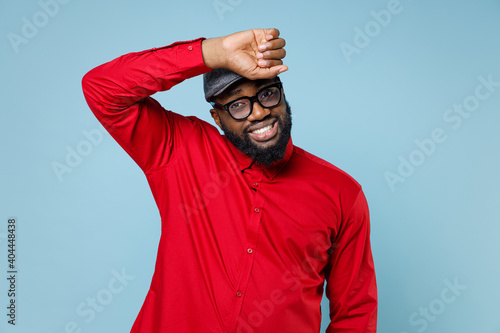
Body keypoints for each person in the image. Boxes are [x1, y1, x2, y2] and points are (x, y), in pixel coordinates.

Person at [82, 28, 377, 333]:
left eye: (267, 93)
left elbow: (355, 314)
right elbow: (101, 89)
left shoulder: (341, 193)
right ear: (217, 118)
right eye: (237, 105)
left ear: (283, 93)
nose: (260, 112)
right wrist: (214, 52)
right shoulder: (179, 150)